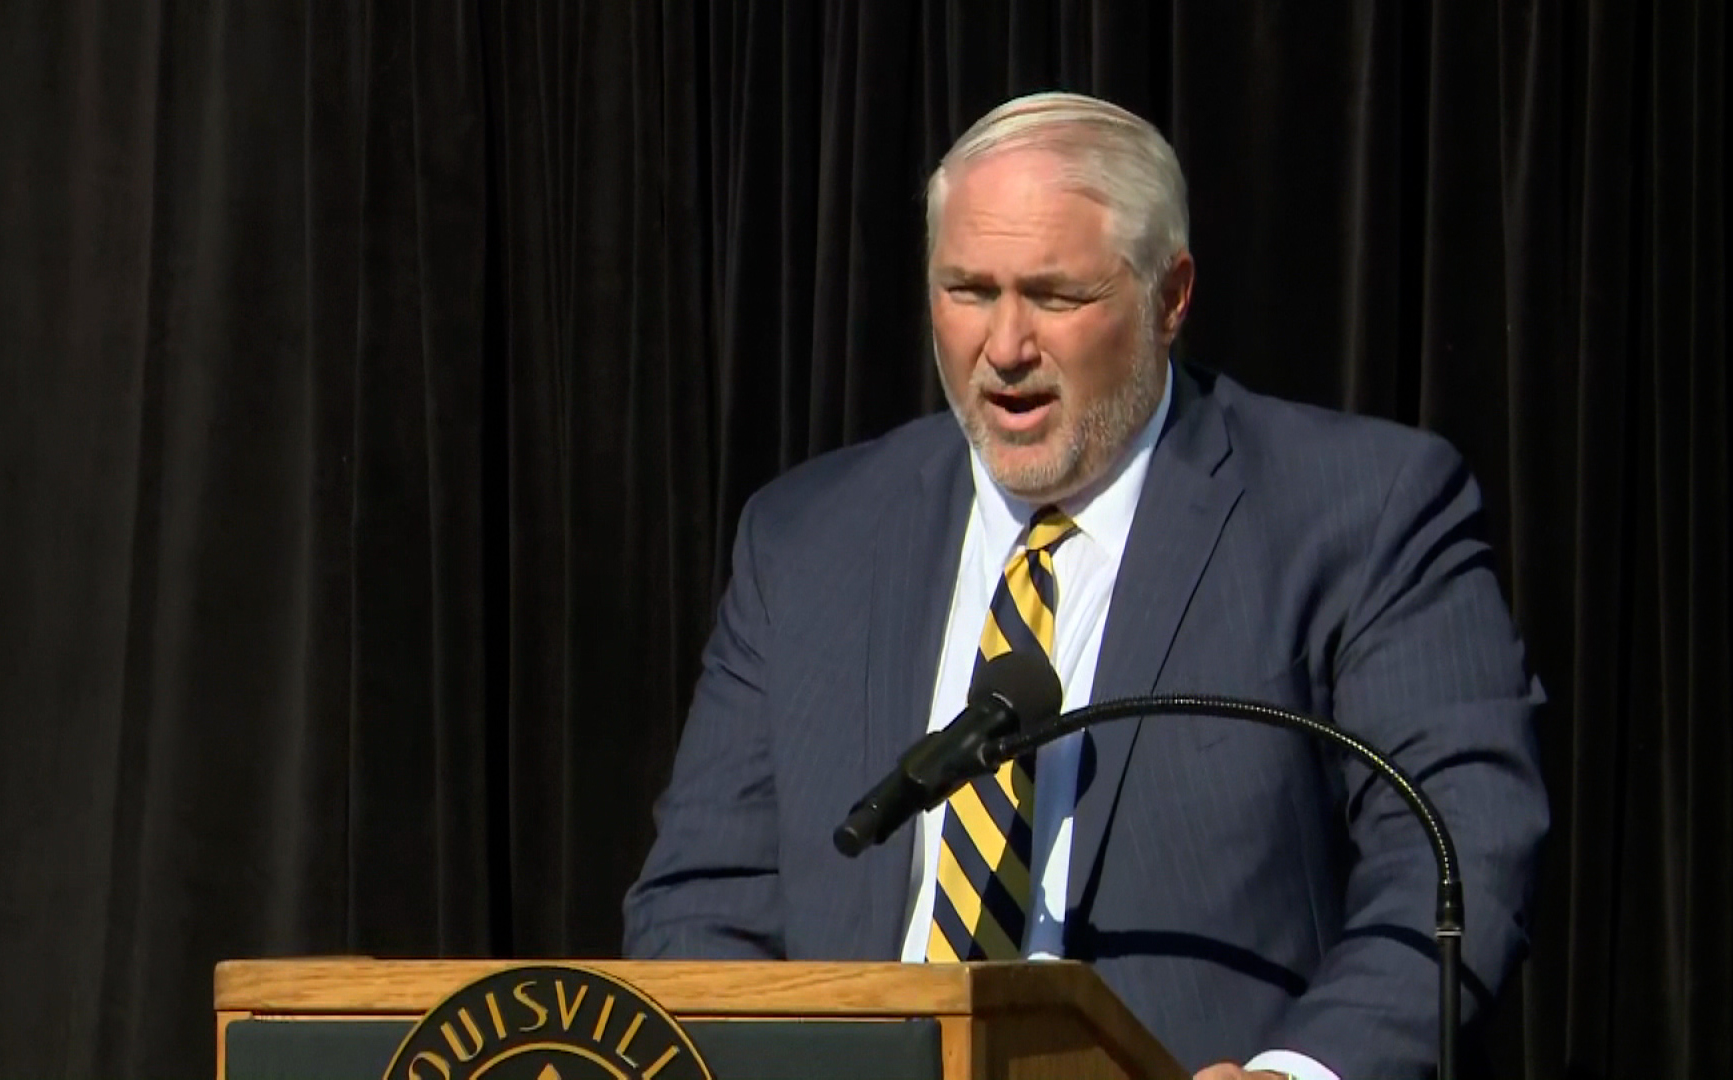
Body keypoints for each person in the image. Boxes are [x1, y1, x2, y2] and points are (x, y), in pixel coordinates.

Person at [622, 91, 1547, 1080]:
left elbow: (1458, 850)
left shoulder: (1360, 512)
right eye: (968, 290)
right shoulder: (808, 537)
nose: (1006, 347)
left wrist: (1300, 1074)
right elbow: (702, 902)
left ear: (1172, 294)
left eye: (1056, 296)